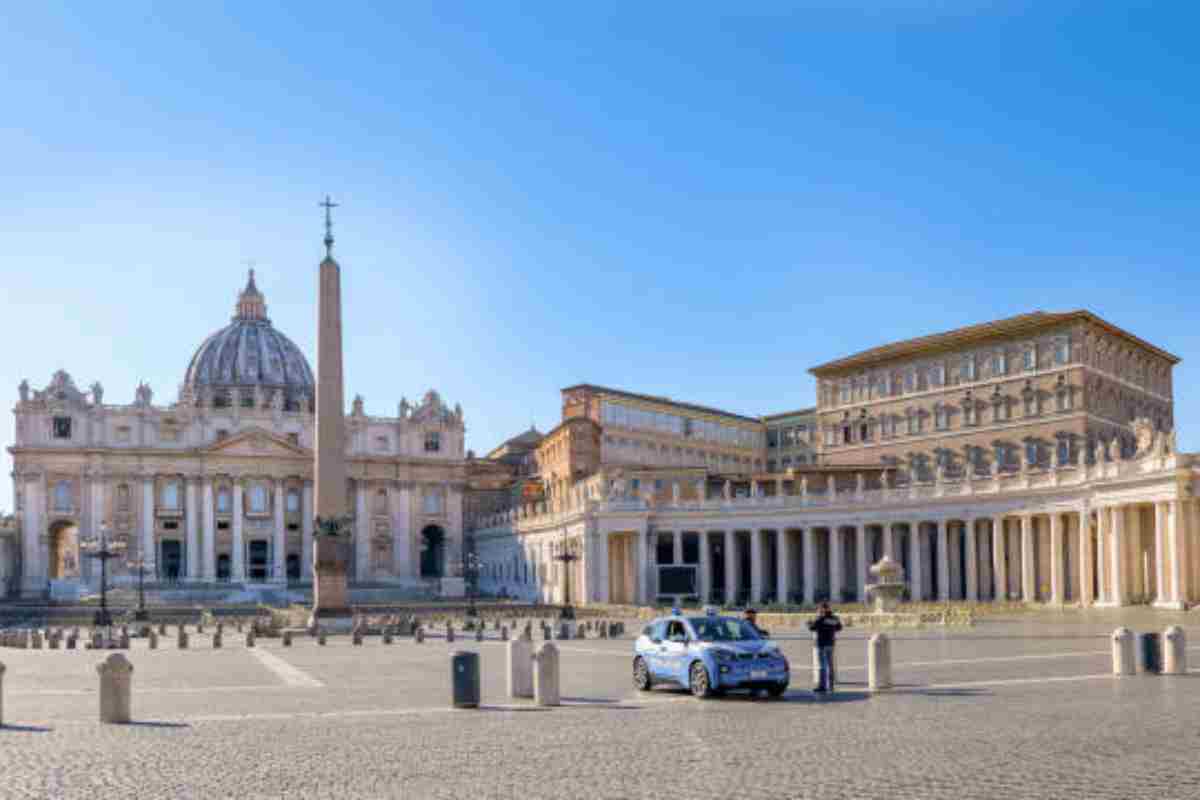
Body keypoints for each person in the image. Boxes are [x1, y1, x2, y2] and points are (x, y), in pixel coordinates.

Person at [807, 602, 842, 693]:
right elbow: (839, 627)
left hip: (822, 644)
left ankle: (822, 686)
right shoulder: (834, 618)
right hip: (831, 644)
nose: (818, 611)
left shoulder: (821, 619)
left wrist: (809, 623)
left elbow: (812, 628)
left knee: (822, 666)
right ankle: (831, 685)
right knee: (830, 665)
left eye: (819, 609)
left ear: (822, 609)